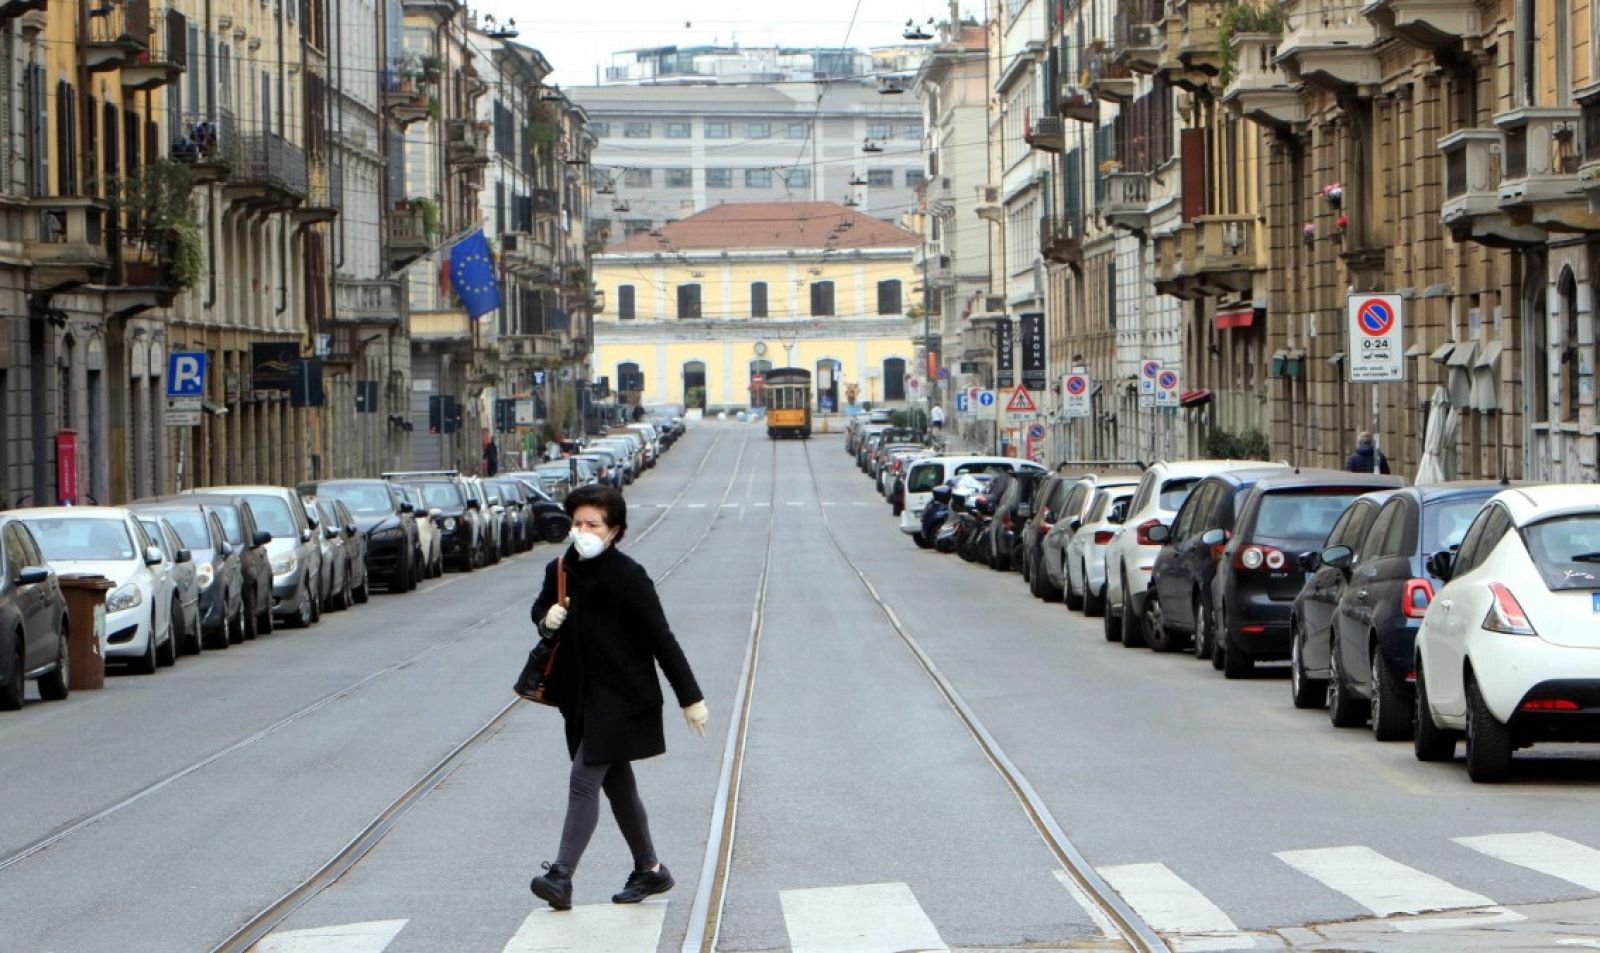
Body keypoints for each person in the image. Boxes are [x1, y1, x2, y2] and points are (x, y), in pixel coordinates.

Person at [527, 485, 709, 911]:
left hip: (624, 698)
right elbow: (539, 612)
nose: (582, 531)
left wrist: (691, 698)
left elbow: (662, 640)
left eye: (593, 524)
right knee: (618, 786)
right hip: (579, 699)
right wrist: (545, 618)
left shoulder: (629, 576)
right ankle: (650, 869)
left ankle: (561, 876)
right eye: (577, 523)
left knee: (584, 779)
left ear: (614, 532)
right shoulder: (561, 569)